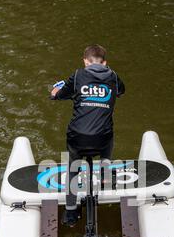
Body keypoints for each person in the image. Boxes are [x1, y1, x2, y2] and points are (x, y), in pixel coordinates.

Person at [51, 44, 125, 226]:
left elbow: (59, 96)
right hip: (102, 140)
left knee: (73, 168)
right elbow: (121, 91)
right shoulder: (113, 77)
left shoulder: (77, 76)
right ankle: (106, 172)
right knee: (108, 133)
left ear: (85, 61)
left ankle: (69, 213)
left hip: (78, 138)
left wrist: (54, 92)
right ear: (105, 62)